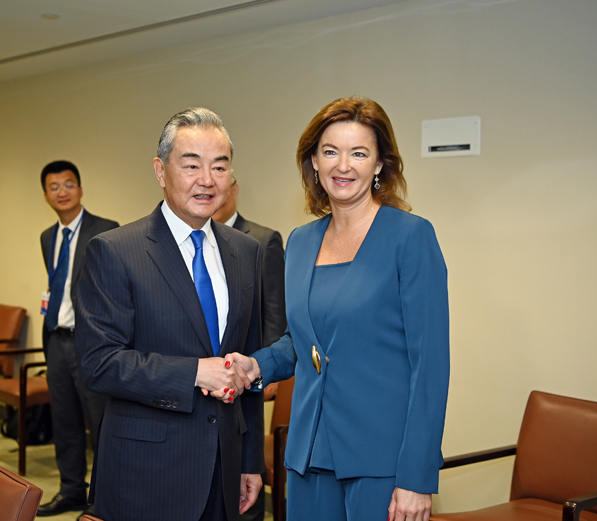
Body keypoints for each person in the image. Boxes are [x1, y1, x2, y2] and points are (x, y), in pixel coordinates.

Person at [228, 96, 450, 521]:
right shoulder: (301, 241)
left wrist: (417, 477)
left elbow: (431, 366)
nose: (342, 165)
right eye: (330, 151)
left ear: (380, 163)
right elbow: (304, 340)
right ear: (313, 160)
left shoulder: (411, 237)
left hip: (383, 460)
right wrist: (253, 367)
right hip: (310, 451)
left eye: (359, 153)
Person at [75, 107, 264, 521]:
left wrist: (251, 459)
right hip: (146, 473)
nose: (206, 180)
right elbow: (98, 364)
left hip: (224, 467)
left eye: (219, 166)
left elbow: (246, 363)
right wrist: (194, 372)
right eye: (191, 164)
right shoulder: (115, 251)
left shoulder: (246, 252)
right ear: (161, 171)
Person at [37, 160, 119, 517]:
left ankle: (104, 499)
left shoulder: (106, 231)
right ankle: (71, 489)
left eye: (69, 184)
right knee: (64, 421)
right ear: (46, 195)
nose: (63, 192)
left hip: (92, 345)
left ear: (80, 189)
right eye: (54, 187)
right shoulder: (47, 237)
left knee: (101, 424)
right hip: (56, 341)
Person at [213, 173, 286, 521]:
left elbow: (274, 308)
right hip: (206, 377)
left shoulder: (261, 240)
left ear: (235, 188)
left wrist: (266, 367)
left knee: (244, 452)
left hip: (250, 368)